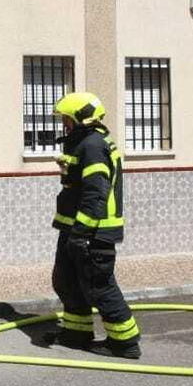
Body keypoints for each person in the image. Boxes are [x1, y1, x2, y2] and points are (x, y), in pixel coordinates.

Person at [44, 91, 141, 359]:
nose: (64, 124)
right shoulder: (84, 144)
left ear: (80, 118)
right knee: (67, 281)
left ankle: (125, 342)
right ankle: (77, 334)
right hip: (74, 229)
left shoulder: (93, 146)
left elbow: (95, 194)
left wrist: (81, 233)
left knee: (99, 286)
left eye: (66, 118)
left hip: (92, 232)